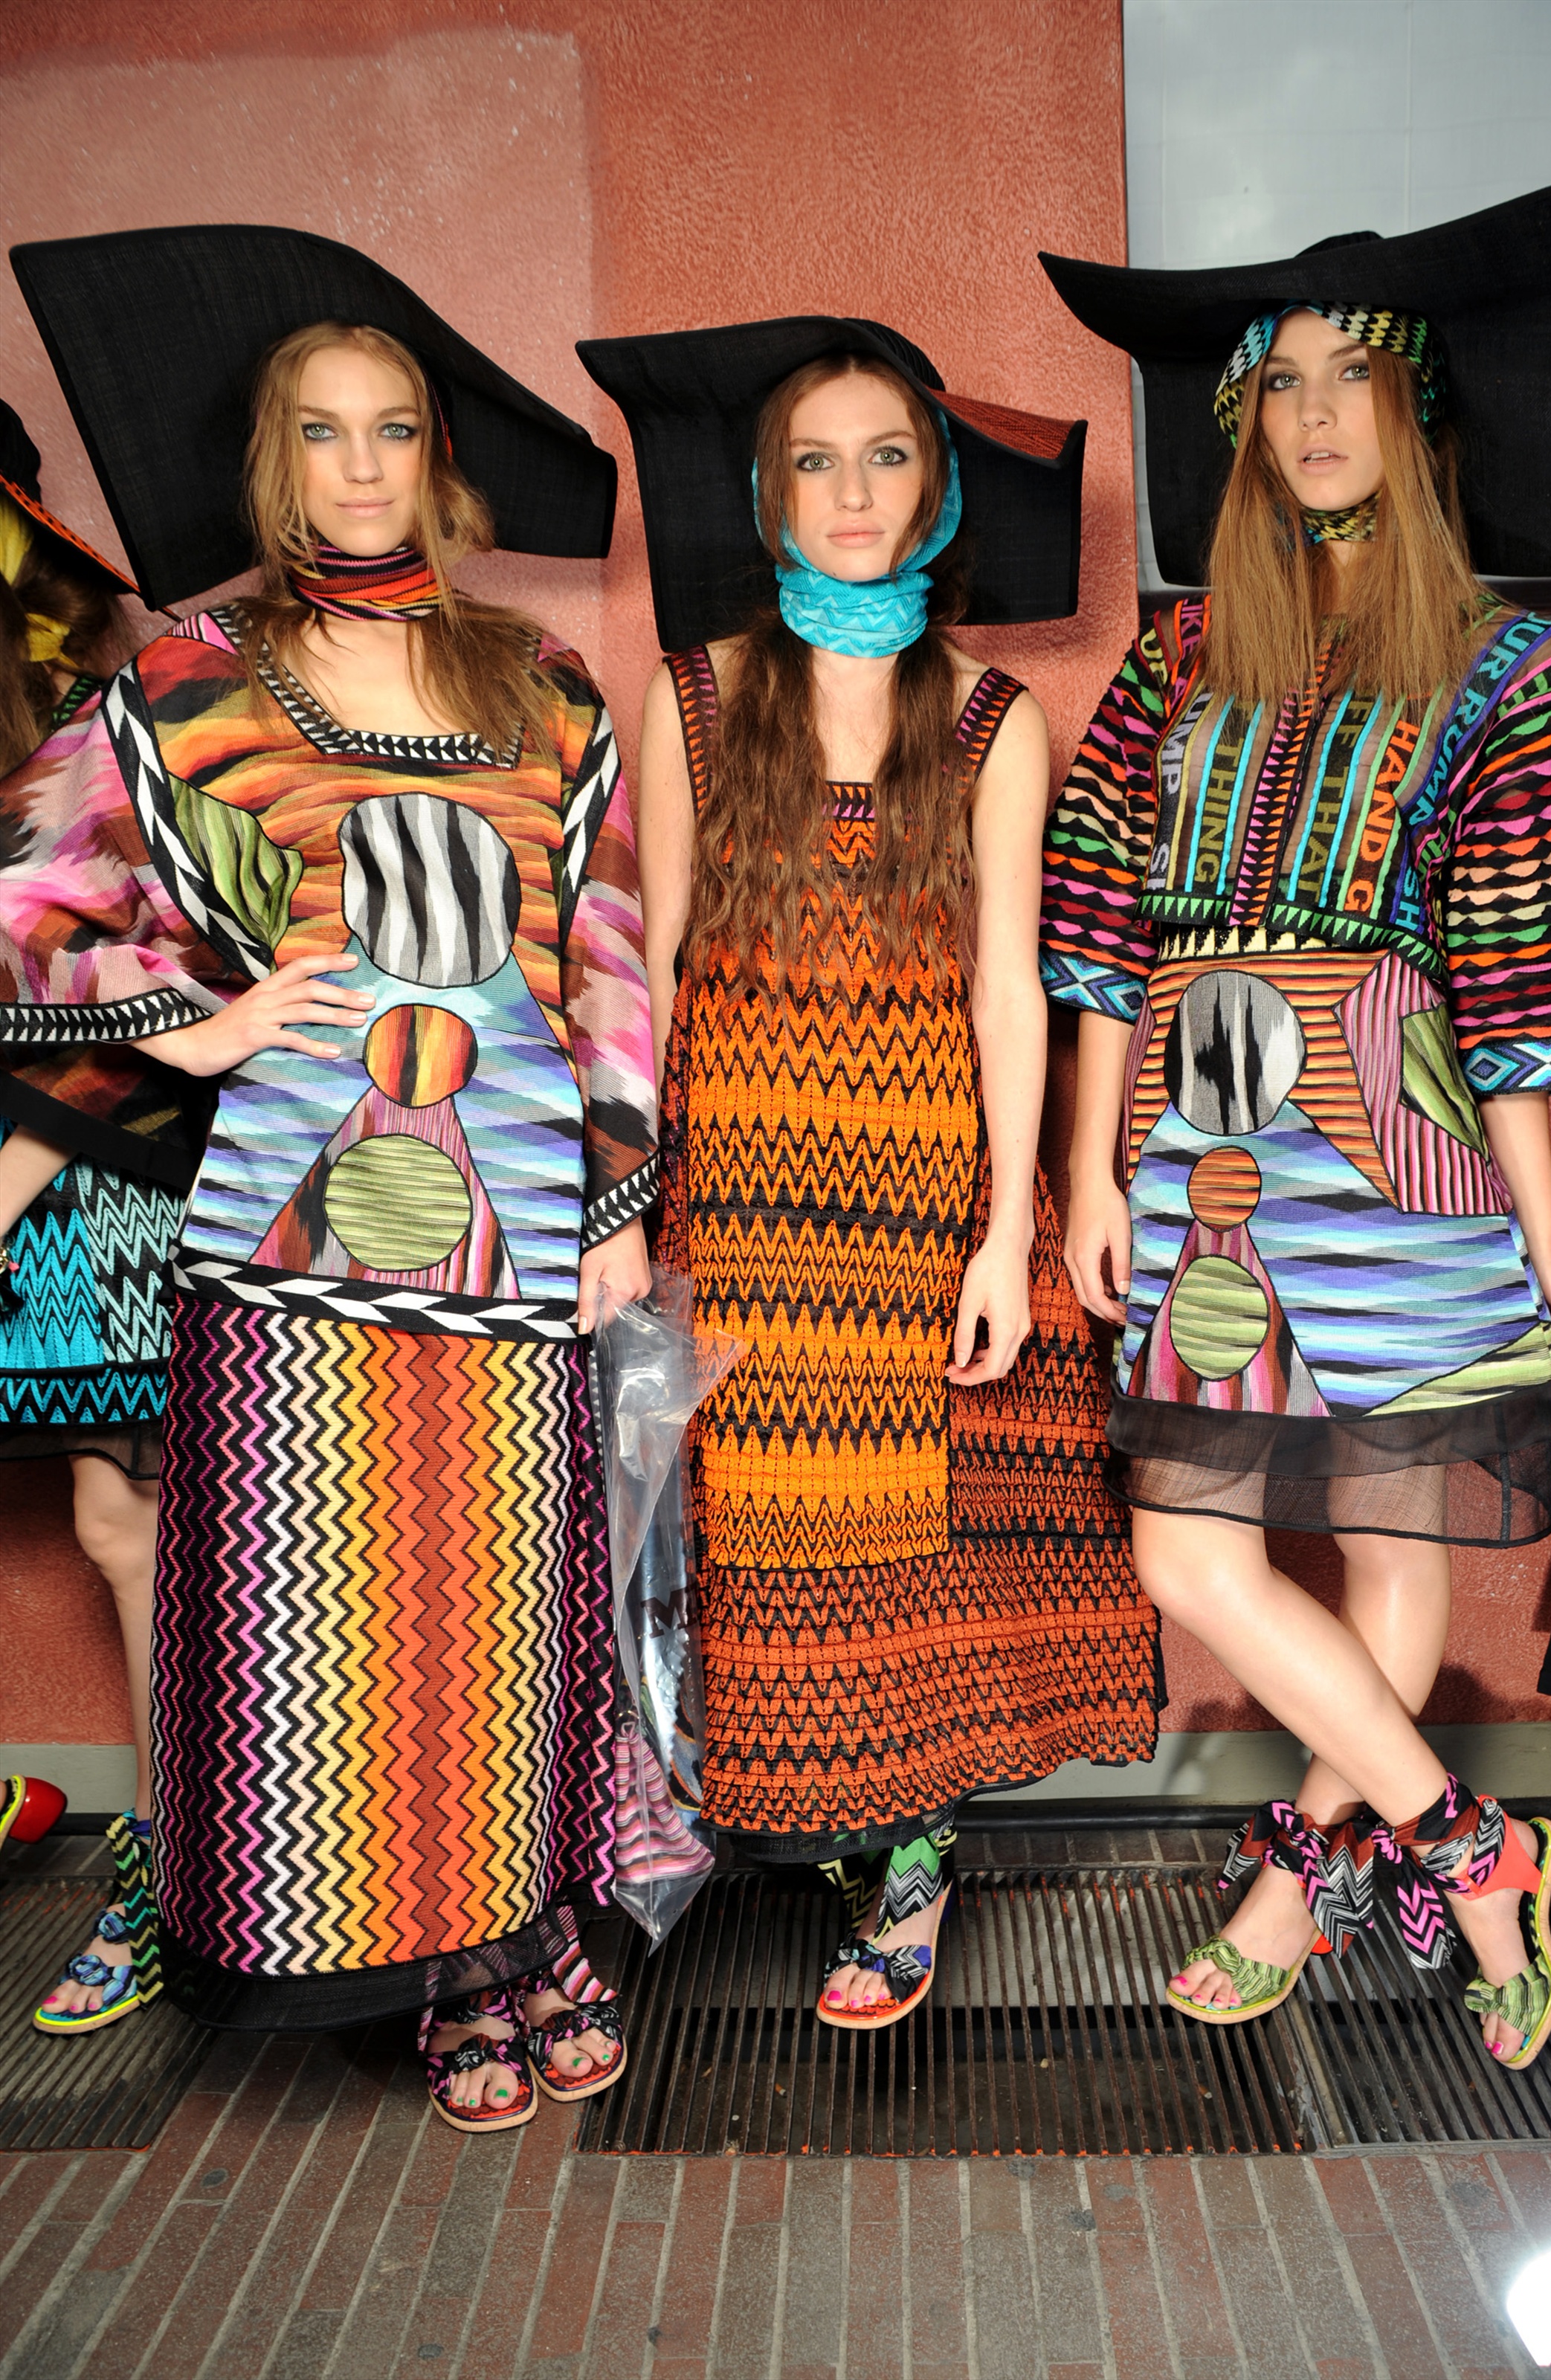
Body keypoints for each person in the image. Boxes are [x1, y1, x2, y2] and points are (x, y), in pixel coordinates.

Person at [1, 225, 657, 2129]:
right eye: (322, 431)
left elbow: (608, 951)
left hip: (512, 1223)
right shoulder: (192, 676)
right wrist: (189, 1022)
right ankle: (443, 1976)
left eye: (392, 430)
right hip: (287, 1240)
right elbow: (30, 898)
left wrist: (618, 1198)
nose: (361, 466)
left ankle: (529, 1934)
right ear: (273, 463)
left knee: (506, 1610)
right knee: (340, 1635)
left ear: (433, 459)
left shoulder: (539, 680)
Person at [1039, 185, 1551, 2068]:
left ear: (1416, 406)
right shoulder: (1175, 662)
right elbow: (1097, 937)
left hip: (1406, 1165)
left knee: (1387, 1537)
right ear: (1243, 425)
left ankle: (1296, 1881)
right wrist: (1095, 1168)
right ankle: (1475, 1845)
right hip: (1200, 1159)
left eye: (1353, 375)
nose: (1318, 411)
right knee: (1188, 1551)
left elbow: (1525, 987)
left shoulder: (1510, 672)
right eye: (1280, 384)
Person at [581, 316, 1162, 2032]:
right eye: (817, 460)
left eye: (887, 455)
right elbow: (652, 968)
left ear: (939, 491)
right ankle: (815, 1828)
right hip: (746, 1204)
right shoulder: (697, 694)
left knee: (924, 1556)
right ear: (769, 495)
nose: (853, 490)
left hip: (923, 1205)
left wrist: (1002, 1231)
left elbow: (1010, 988)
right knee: (769, 1546)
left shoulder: (991, 718)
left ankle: (909, 1857)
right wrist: (633, 1200)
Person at [0, 398, 194, 2034]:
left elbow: (131, 994)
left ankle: (172, 1873)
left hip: (96, 1170)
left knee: (130, 1521)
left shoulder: (94, 724)